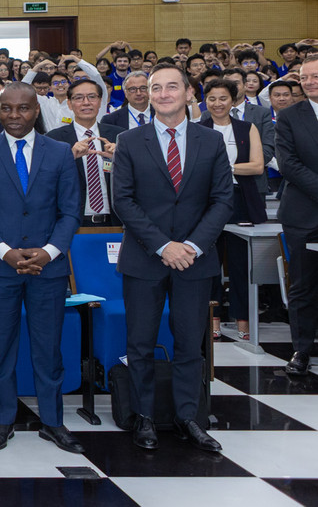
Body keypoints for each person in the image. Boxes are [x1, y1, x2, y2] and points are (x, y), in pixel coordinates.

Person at [112, 64, 233, 453]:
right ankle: (144, 416)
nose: (163, 94)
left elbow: (222, 200)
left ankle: (188, 417)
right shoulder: (130, 140)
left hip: (196, 261)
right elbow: (124, 202)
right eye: (155, 88)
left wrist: (192, 246)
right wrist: (164, 246)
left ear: (188, 93)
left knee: (189, 345)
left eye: (171, 87)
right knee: (141, 343)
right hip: (146, 259)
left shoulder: (210, 141)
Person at [0, 83, 84, 454]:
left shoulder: (61, 152)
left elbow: (70, 212)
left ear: (37, 111)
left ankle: (52, 421)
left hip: (48, 268)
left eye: (24, 109)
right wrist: (5, 252)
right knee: (0, 347)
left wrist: (49, 252)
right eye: (7, 109)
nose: (15, 116)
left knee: (48, 347)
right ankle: (2, 420)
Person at [199, 79, 267, 341]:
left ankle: (242, 318)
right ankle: (213, 318)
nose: (218, 104)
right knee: (209, 264)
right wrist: (234, 167)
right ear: (205, 101)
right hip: (207, 202)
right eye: (212, 98)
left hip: (241, 201)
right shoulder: (198, 128)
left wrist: (224, 168)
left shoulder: (246, 128)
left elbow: (257, 166)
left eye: (223, 98)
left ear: (233, 100)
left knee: (240, 265)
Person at [277, 56, 318, 376]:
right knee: (303, 284)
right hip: (303, 213)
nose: (310, 81)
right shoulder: (290, 116)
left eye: (315, 76)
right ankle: (301, 349)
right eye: (305, 78)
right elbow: (288, 164)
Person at [45, 79, 123, 227]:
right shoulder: (54, 139)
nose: (86, 102)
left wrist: (119, 160)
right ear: (69, 103)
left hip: (114, 222)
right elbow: (45, 181)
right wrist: (69, 158)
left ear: (100, 102)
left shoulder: (119, 136)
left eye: (92, 97)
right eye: (79, 98)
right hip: (72, 223)